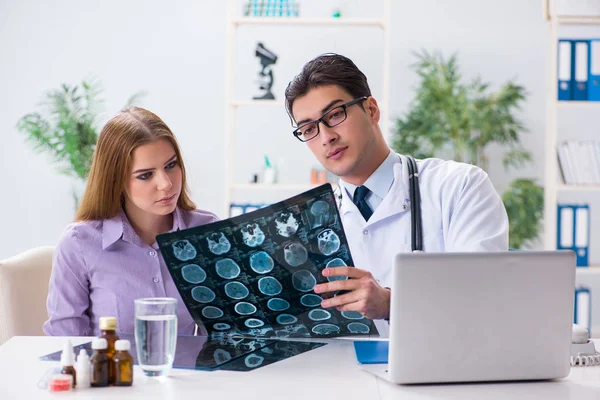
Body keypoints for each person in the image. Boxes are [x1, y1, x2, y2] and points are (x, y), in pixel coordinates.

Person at [284, 54, 509, 321]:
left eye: (334, 115)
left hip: (439, 361)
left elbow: (484, 298)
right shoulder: (305, 220)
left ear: (371, 110)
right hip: (337, 363)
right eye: (309, 129)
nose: (326, 137)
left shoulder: (459, 187)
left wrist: (395, 304)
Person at [43, 107, 218, 336]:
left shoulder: (206, 232)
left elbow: (221, 336)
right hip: (110, 372)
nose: (165, 183)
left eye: (170, 165)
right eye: (146, 175)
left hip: (188, 372)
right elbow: (65, 343)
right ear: (116, 180)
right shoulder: (79, 244)